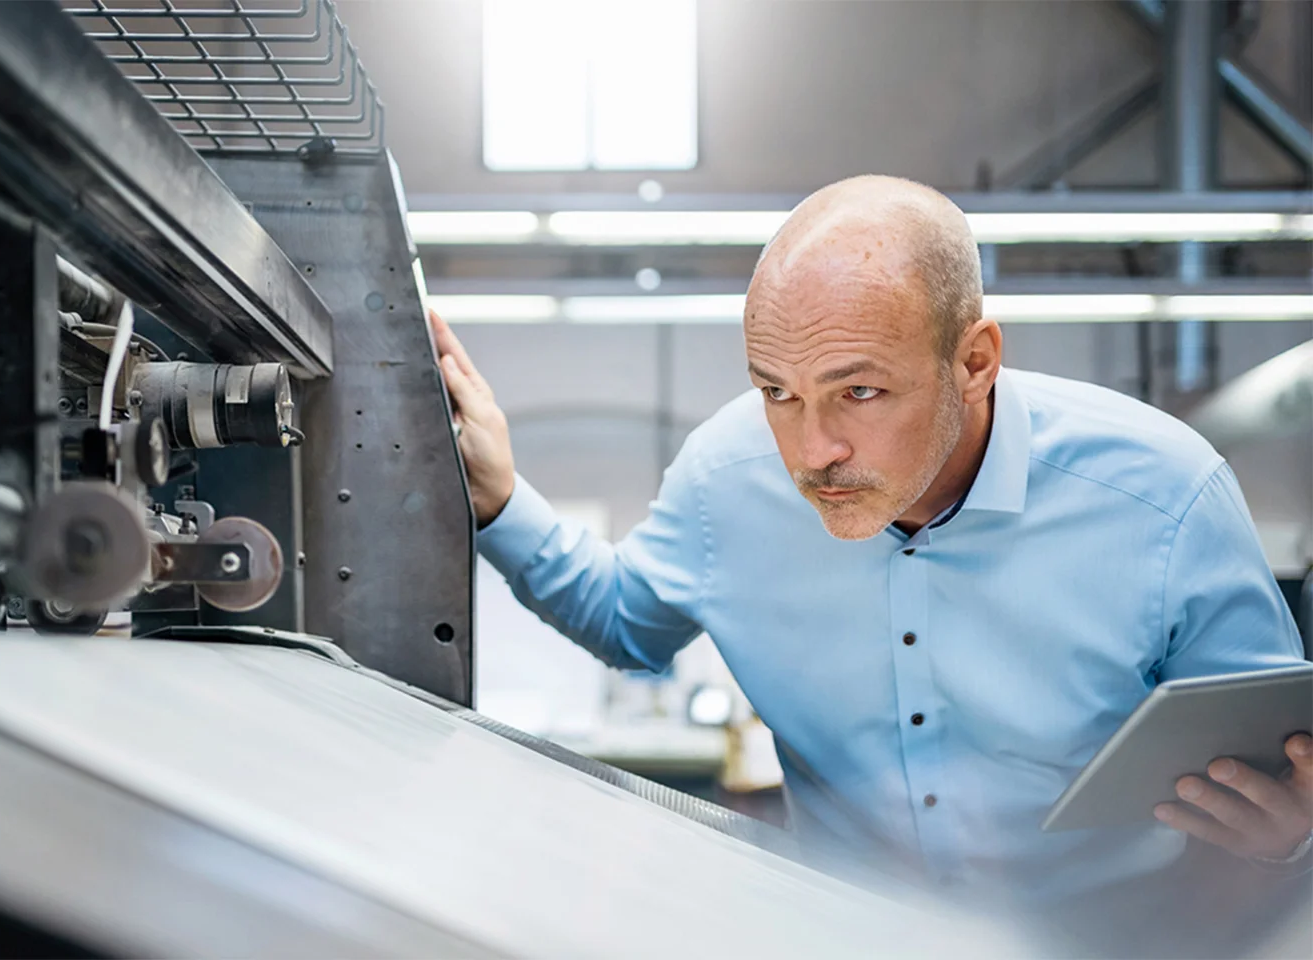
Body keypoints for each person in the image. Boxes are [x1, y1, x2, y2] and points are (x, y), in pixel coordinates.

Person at [429, 176, 1310, 923]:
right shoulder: (724, 481)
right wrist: (500, 499)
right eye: (777, 391)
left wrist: (1288, 839)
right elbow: (626, 622)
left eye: (859, 390)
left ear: (975, 362)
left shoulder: (1164, 499)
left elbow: (1275, 764)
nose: (812, 451)